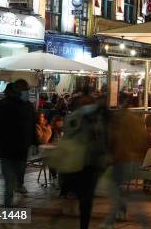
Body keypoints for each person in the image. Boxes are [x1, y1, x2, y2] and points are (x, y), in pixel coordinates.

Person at [61, 95, 109, 229]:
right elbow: (70, 133)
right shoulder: (79, 118)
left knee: (85, 197)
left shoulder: (95, 120)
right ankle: (83, 219)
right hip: (82, 162)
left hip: (86, 163)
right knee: (85, 196)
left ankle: (83, 221)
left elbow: (101, 140)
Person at [0, 80, 37, 207]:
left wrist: (35, 143)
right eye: (25, 89)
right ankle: (7, 211)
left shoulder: (28, 106)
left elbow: (32, 125)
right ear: (17, 90)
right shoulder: (3, 105)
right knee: (9, 184)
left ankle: (17, 188)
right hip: (7, 151)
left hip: (21, 152)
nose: (27, 92)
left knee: (18, 177)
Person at [103, 106, 149, 228]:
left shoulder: (118, 123)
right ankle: (116, 217)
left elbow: (112, 141)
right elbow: (144, 140)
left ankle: (112, 219)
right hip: (133, 159)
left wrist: (110, 156)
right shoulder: (136, 121)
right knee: (125, 191)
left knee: (118, 190)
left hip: (121, 159)